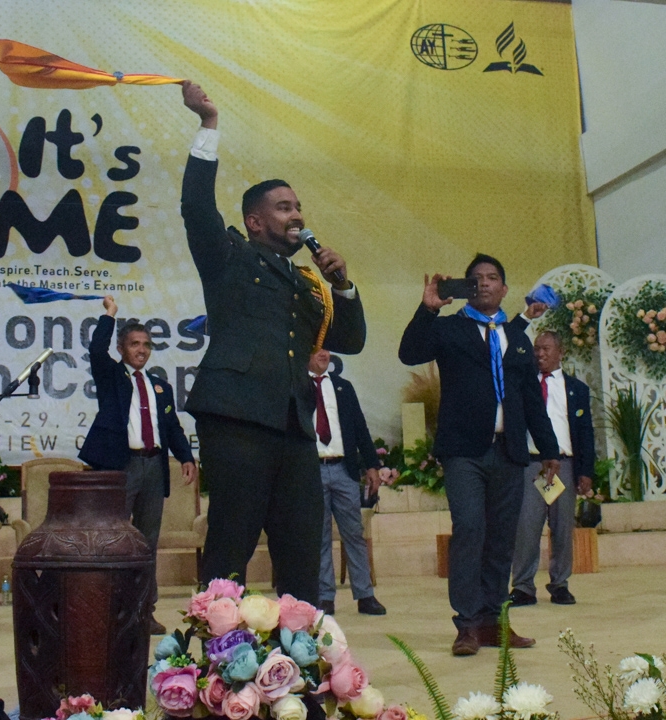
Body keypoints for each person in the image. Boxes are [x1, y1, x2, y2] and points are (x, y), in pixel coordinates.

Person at [179, 81, 366, 603]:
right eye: (284, 208)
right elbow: (196, 207)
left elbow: (349, 340)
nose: (296, 215)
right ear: (255, 221)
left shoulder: (306, 283)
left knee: (302, 550)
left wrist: (342, 286)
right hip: (237, 419)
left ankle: (298, 649)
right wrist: (208, 125)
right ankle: (218, 648)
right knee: (230, 545)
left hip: (294, 427)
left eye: (299, 206)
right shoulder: (230, 257)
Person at [399, 254, 560, 656]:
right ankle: (467, 625)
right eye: (476, 279)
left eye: (492, 278)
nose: (484, 283)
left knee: (502, 539)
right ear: (467, 288)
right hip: (464, 452)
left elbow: (531, 399)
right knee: (469, 529)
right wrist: (428, 309)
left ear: (504, 289)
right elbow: (409, 352)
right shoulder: (450, 328)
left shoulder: (517, 337)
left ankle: (494, 622)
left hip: (509, 452)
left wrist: (549, 449)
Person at [79, 295, 198, 634]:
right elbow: (96, 350)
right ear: (121, 349)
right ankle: (109, 610)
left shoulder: (160, 385)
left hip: (153, 467)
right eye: (134, 344)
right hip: (121, 466)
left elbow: (171, 427)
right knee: (113, 540)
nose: (142, 350)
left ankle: (144, 611)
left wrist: (186, 456)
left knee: (147, 543)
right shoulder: (111, 375)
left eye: (146, 344)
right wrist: (110, 314)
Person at [507, 328, 595, 606]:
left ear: (560, 352)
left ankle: (560, 584)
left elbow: (585, 432)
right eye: (537, 348)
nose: (539, 354)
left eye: (546, 349)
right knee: (527, 526)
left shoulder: (577, 389)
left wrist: (585, 471)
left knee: (562, 526)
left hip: (563, 465)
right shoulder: (524, 384)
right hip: (532, 464)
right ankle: (523, 586)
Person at [308, 349, 386, 616]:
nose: (324, 354)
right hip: (312, 471)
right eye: (317, 349)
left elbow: (360, 427)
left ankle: (365, 595)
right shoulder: (298, 386)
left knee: (354, 533)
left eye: (326, 349)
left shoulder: (343, 387)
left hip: (344, 469)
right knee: (320, 537)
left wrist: (372, 465)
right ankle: (325, 597)